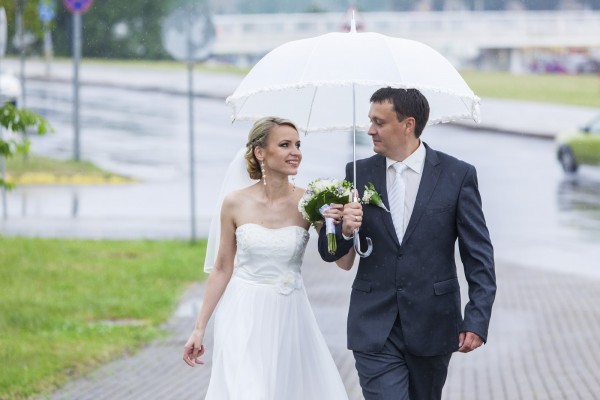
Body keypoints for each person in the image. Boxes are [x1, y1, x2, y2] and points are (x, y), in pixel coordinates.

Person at [318, 87, 496, 400]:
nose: (370, 129)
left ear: (408, 124)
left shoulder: (457, 175)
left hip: (434, 324)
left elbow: (478, 256)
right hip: (373, 325)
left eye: (379, 122)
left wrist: (477, 319)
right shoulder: (357, 173)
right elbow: (330, 250)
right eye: (370, 121)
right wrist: (345, 230)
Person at [182, 116, 349, 400]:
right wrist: (199, 329)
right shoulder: (234, 202)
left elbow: (343, 263)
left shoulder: (311, 202)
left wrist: (343, 229)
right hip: (241, 313)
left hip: (290, 314)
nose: (295, 151)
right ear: (260, 152)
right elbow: (222, 268)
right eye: (285, 144)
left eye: (297, 144)